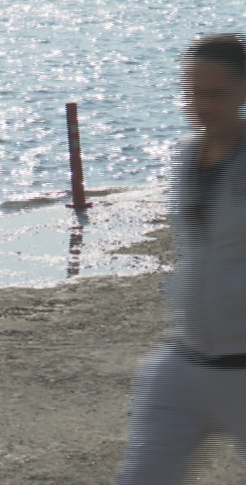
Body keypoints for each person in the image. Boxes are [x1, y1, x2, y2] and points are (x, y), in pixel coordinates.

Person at [117, 33, 246, 484]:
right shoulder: (190, 157)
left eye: (216, 94)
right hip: (185, 364)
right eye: (194, 93)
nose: (202, 105)